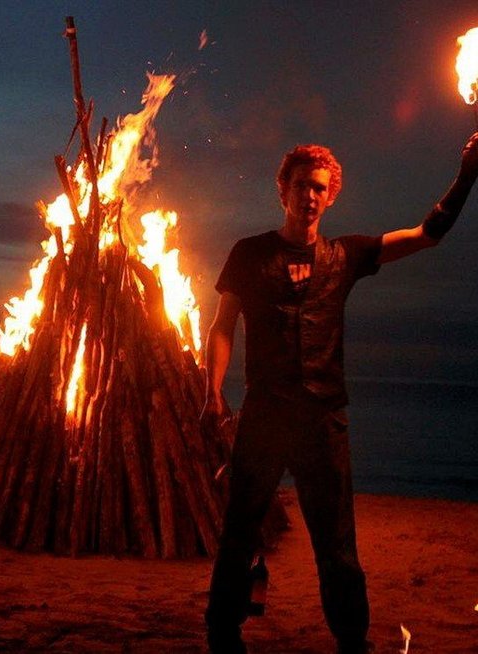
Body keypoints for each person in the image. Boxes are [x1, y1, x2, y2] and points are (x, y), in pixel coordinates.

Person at [202, 135, 478, 654]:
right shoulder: (249, 254)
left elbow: (427, 235)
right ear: (283, 190)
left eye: (320, 189)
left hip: (323, 421)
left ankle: (352, 642)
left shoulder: (345, 256)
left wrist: (467, 175)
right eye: (302, 184)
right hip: (264, 417)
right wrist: (212, 391)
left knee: (338, 549)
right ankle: (223, 634)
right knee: (239, 534)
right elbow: (222, 327)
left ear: (330, 198)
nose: (310, 195)